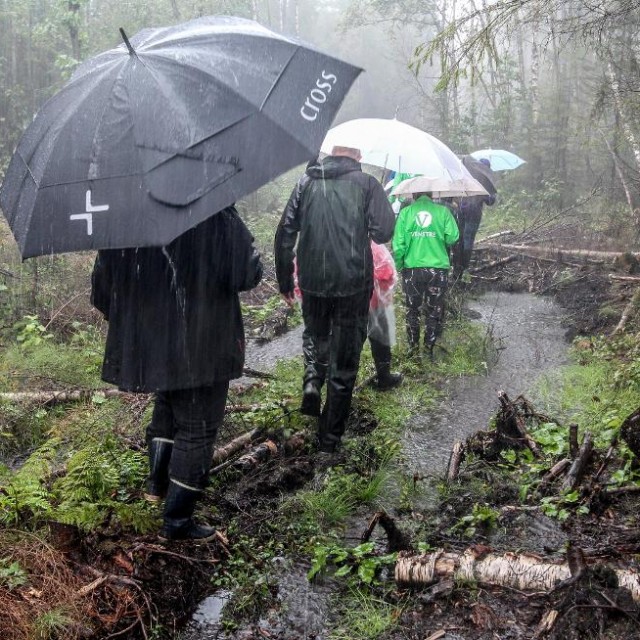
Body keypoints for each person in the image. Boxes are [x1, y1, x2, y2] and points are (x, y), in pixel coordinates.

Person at [91, 207, 262, 541]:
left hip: (154, 342)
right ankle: (178, 521)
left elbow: (101, 290)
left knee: (167, 404)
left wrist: (143, 325)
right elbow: (246, 273)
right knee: (198, 428)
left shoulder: (124, 217)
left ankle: (156, 488)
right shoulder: (213, 208)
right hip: (205, 341)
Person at [275, 146, 395, 455]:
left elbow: (285, 230)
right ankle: (328, 443)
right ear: (355, 156)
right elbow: (383, 232)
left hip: (312, 281)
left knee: (316, 336)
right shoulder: (367, 183)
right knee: (344, 365)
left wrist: (286, 280)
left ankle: (312, 381)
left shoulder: (305, 182)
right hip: (353, 285)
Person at [294, 240, 402, 394]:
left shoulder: (314, 238)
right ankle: (383, 375)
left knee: (339, 343)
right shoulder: (362, 237)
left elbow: (301, 275)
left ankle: (323, 385)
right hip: (370, 298)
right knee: (379, 336)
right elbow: (386, 271)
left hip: (335, 302)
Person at [392, 191, 460, 360]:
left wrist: (400, 266)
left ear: (414, 195)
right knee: (433, 311)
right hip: (437, 270)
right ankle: (428, 349)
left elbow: (398, 246)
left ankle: (412, 350)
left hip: (412, 270)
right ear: (432, 194)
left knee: (412, 310)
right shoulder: (443, 212)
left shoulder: (406, 213)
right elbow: (453, 237)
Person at [456, 156, 497, 275]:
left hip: (461, 209)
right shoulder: (485, 180)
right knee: (468, 238)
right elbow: (490, 201)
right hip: (474, 213)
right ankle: (464, 268)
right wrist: (486, 195)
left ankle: (457, 266)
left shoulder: (466, 175)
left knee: (460, 237)